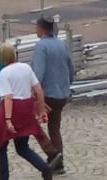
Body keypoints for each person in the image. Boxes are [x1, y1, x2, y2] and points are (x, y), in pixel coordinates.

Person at [0, 40, 54, 180]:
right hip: (26, 106)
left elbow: (8, 97)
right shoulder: (26, 68)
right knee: (22, 146)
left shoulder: (4, 73)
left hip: (13, 108)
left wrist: (8, 119)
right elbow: (38, 90)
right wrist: (41, 110)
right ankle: (44, 168)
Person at [28, 15, 76, 172]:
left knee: (32, 124)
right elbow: (71, 68)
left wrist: (34, 93)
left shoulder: (41, 46)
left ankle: (52, 152)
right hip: (62, 93)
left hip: (47, 96)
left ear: (42, 29)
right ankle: (59, 164)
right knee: (54, 127)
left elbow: (38, 73)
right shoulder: (61, 44)